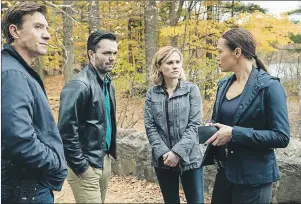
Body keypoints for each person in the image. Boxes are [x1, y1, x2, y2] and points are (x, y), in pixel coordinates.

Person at [202, 27, 290, 204]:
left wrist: (234, 133)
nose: (217, 57)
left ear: (237, 52)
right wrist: (211, 129)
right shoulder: (224, 84)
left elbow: (281, 137)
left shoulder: (270, 87)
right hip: (225, 174)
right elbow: (224, 123)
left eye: (220, 51)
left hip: (254, 180)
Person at [1, 2, 68, 203]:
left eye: (47, 28)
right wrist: (56, 163)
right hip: (25, 191)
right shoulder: (12, 73)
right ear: (15, 31)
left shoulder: (16, 70)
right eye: (38, 27)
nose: (47, 35)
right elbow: (18, 139)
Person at [58, 29, 118, 203]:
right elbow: (66, 132)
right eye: (106, 53)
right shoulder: (78, 85)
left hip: (103, 159)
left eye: (114, 53)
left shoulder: (107, 84)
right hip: (85, 165)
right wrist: (82, 167)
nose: (112, 57)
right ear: (91, 54)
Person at [144, 46, 204, 204]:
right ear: (159, 67)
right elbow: (150, 126)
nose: (175, 66)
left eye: (178, 62)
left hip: (190, 158)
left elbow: (195, 125)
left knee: (196, 201)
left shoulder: (191, 90)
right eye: (170, 62)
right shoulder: (152, 93)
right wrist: (164, 152)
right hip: (163, 160)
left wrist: (177, 153)